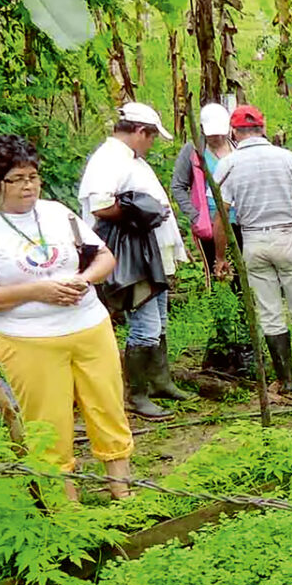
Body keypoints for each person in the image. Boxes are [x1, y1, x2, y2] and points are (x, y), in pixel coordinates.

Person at [0, 134, 133, 501]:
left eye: (33, 177)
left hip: (88, 326)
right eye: (16, 179)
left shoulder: (56, 213)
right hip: (28, 339)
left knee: (108, 406)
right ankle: (65, 510)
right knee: (48, 421)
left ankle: (124, 494)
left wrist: (84, 280)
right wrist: (35, 291)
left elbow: (104, 256)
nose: (28, 186)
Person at [78, 102, 192, 420]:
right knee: (145, 325)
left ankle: (160, 381)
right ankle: (136, 394)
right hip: (132, 255)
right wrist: (141, 214)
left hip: (150, 253)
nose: (152, 143)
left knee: (160, 321)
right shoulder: (110, 158)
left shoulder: (130, 158)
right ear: (141, 132)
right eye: (152, 137)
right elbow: (101, 205)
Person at [215, 105, 292, 393]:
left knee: (270, 312)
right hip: (286, 233)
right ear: (262, 128)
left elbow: (222, 217)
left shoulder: (228, 164)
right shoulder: (286, 157)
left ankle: (286, 380)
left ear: (234, 133)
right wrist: (291, 228)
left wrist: (220, 257)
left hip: (253, 239)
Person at [169, 103, 235, 274]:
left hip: (240, 219)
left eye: (220, 134)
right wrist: (195, 216)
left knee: (240, 272)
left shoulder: (237, 148)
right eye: (212, 134)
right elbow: (178, 186)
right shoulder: (193, 150)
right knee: (215, 272)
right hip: (210, 222)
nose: (217, 138)